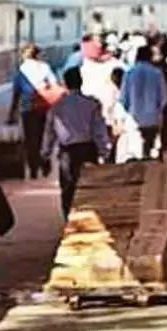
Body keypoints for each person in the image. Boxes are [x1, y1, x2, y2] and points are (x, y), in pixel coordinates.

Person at [43, 67, 112, 218]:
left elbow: (50, 132)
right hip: (88, 150)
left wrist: (46, 153)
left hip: (67, 152)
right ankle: (90, 216)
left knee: (68, 188)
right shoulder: (92, 104)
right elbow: (98, 130)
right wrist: (105, 151)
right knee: (89, 186)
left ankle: (70, 219)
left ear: (66, 84)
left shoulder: (57, 107)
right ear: (81, 82)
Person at [9, 43, 60, 179]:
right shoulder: (45, 67)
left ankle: (33, 169)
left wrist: (12, 113)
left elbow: (16, 93)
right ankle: (44, 161)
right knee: (44, 137)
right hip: (44, 108)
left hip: (28, 109)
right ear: (37, 54)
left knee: (30, 140)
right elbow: (55, 86)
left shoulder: (21, 70)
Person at [118, 45, 167, 160]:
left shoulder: (129, 73)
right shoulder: (157, 73)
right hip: (153, 119)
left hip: (134, 120)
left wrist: (130, 111)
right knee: (150, 153)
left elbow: (123, 98)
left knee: (136, 155)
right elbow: (164, 98)